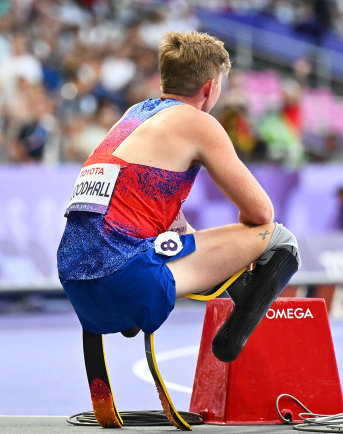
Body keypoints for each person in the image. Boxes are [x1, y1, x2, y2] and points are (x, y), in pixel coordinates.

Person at [56, 31, 300, 364]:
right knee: (280, 240)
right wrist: (244, 250)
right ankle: (230, 344)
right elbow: (261, 212)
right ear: (210, 87)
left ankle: (132, 316)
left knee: (179, 228)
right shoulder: (199, 122)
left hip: (76, 287)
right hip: (126, 281)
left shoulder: (135, 114)